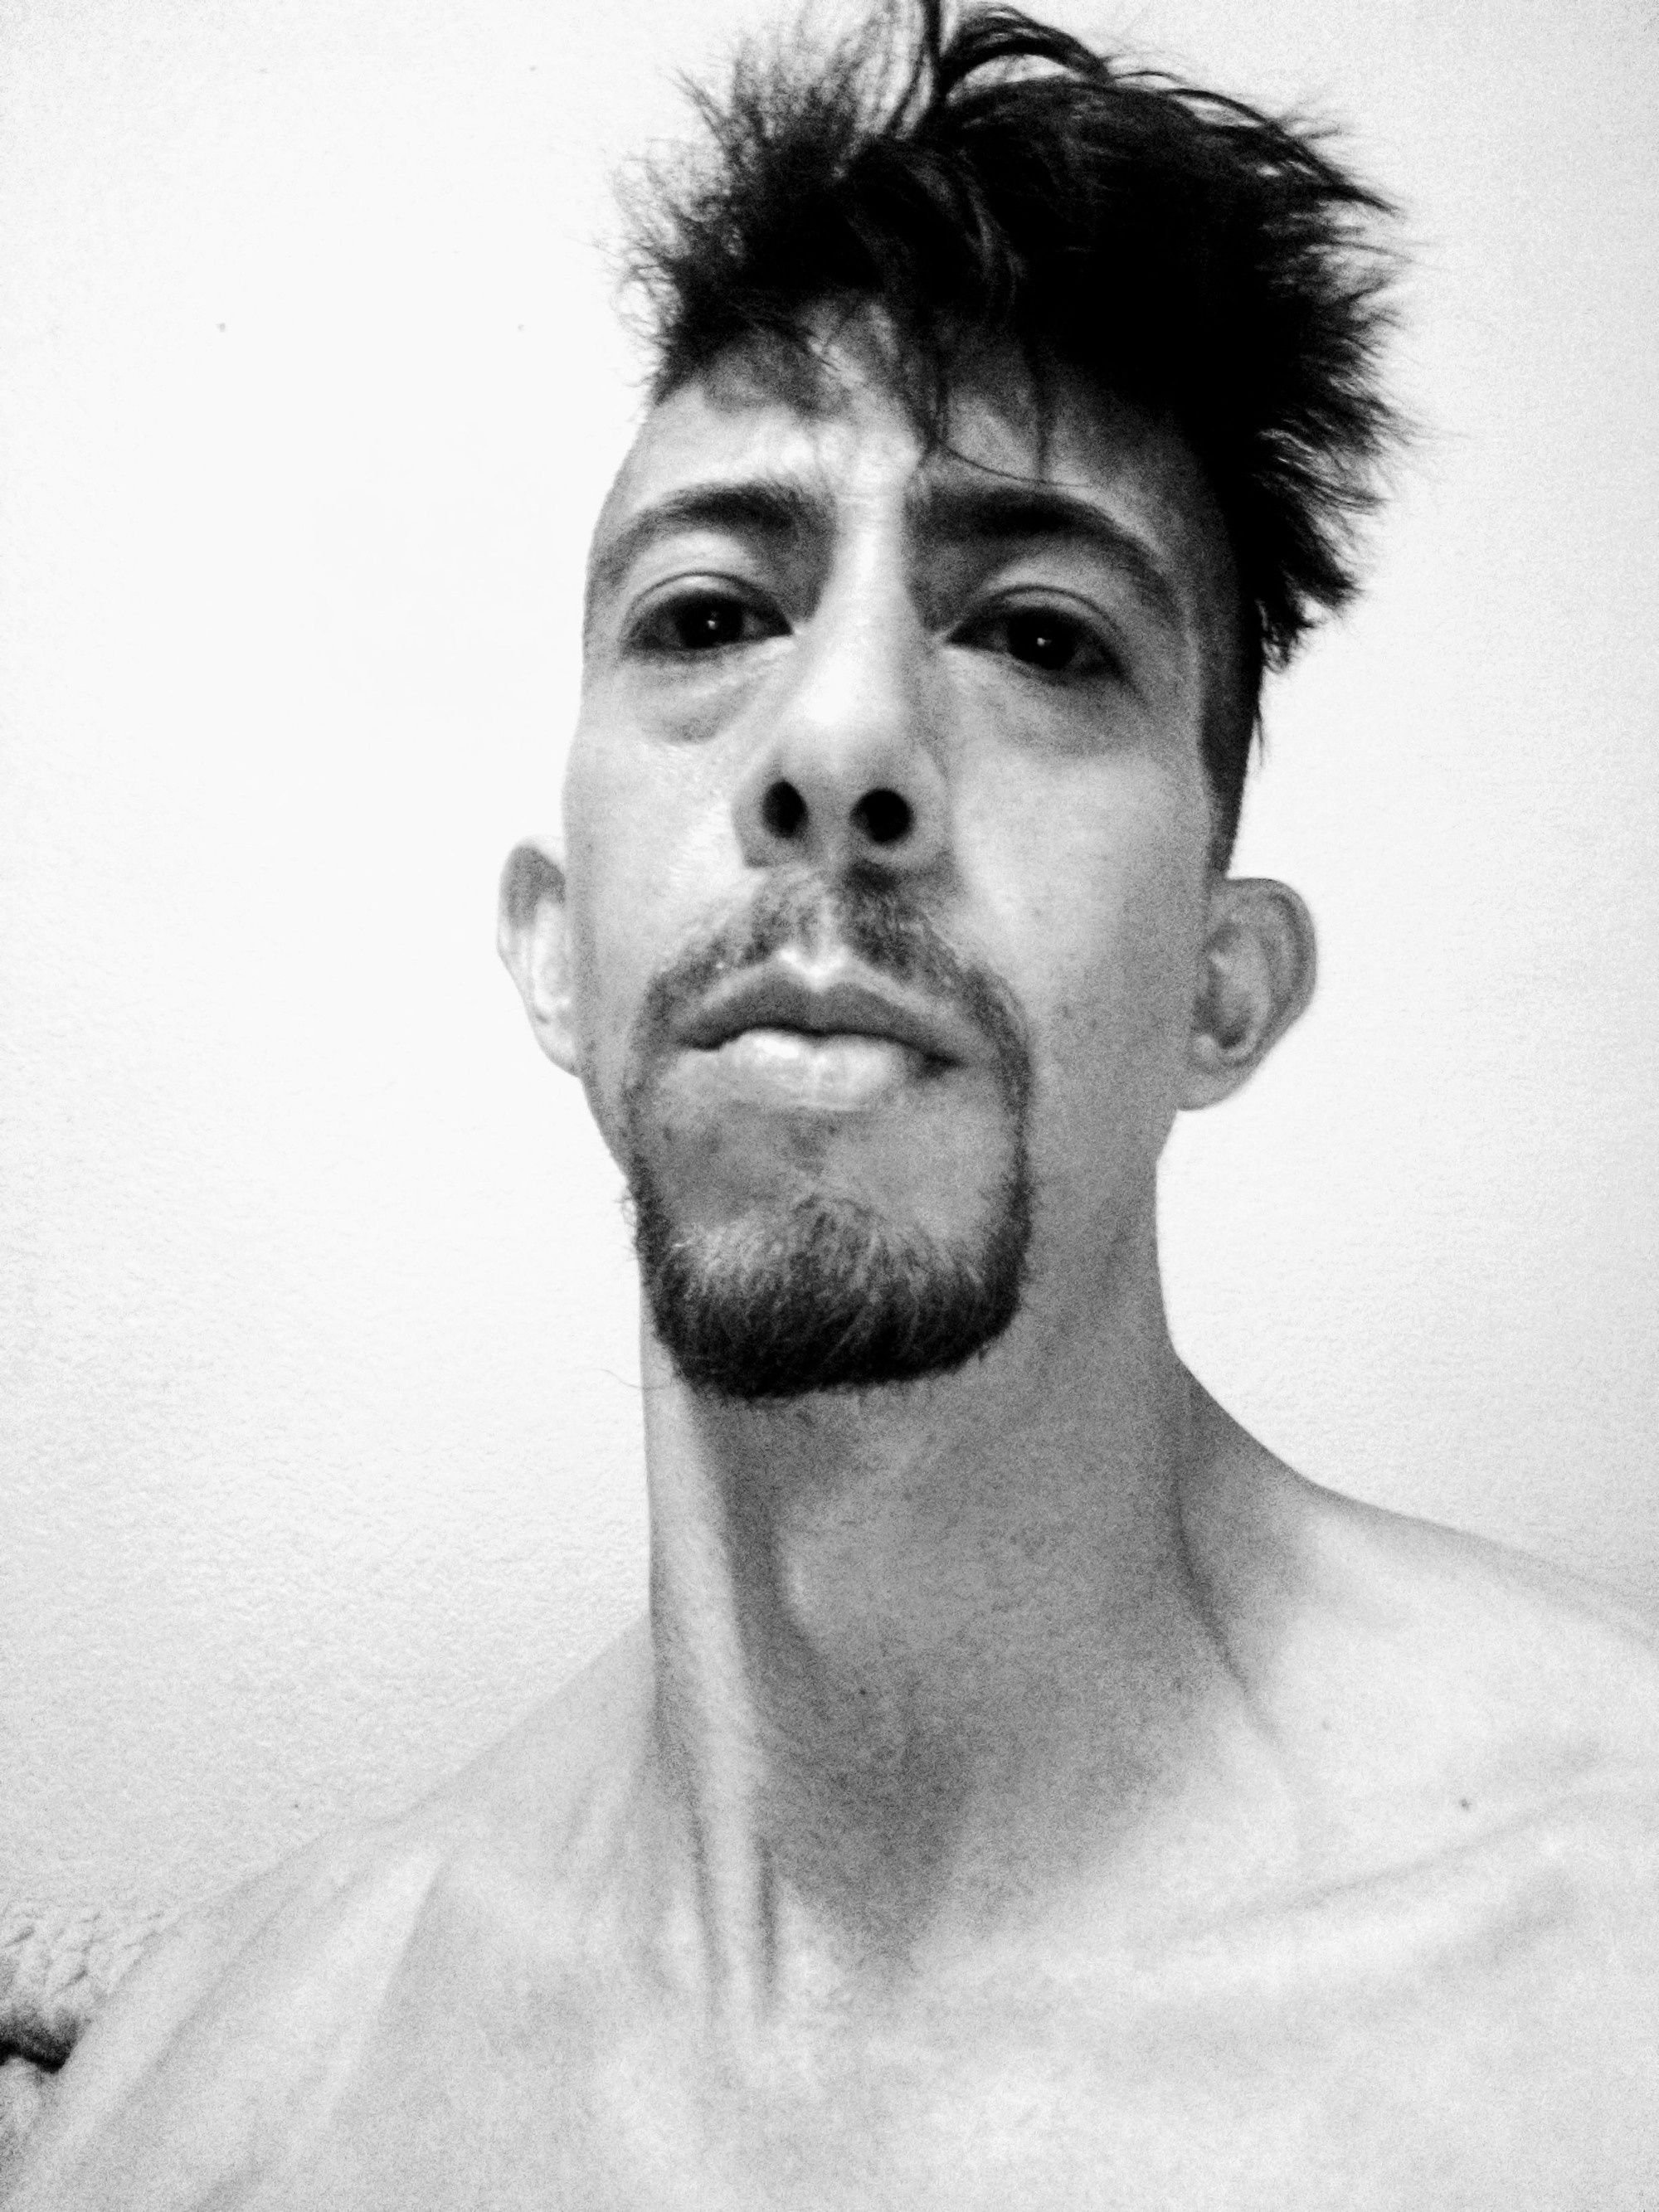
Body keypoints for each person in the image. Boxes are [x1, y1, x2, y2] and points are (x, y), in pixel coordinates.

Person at [7, 2, 1657, 2204]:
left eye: (1043, 635)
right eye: (711, 610)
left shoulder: (1607, 1963)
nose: (842, 737)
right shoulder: (212, 2107)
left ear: (1223, 988)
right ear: (556, 948)